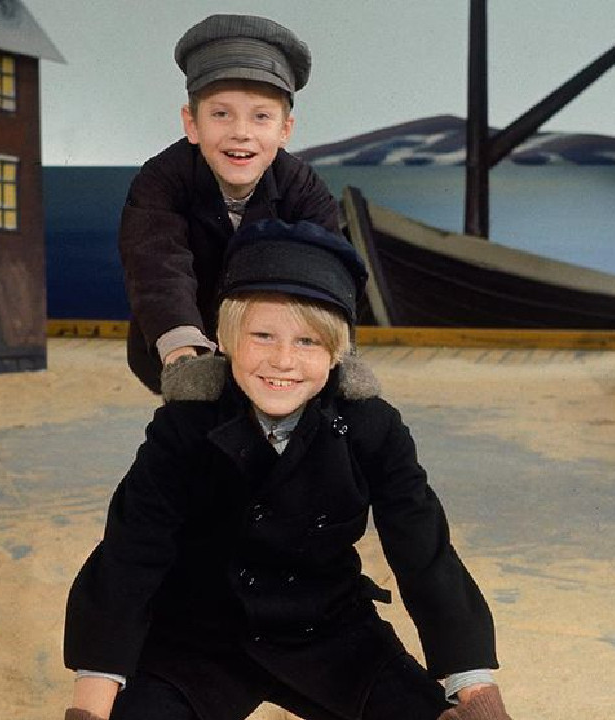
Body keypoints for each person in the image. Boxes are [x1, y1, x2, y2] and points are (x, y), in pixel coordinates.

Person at [64, 220, 514, 720]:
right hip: (197, 638)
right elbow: (130, 555)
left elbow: (423, 550)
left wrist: (474, 688)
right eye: (262, 335)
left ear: (338, 352)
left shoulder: (372, 426)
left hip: (329, 634)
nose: (282, 361)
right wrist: (93, 702)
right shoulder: (184, 427)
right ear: (227, 337)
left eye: (308, 342)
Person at [119, 14, 341, 393]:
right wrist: (182, 357)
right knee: (194, 433)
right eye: (221, 114)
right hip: (186, 338)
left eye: (261, 117)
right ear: (192, 123)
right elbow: (158, 268)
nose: (241, 133)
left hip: (276, 351)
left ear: (285, 130)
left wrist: (340, 357)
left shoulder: (304, 188)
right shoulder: (160, 180)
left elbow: (331, 275)